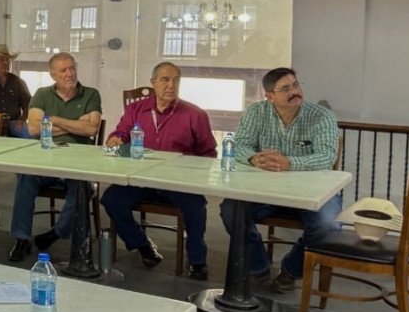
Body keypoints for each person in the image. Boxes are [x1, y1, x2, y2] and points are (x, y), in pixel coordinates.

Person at [221, 67, 341, 293]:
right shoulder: (256, 112)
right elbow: (241, 145)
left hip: (312, 190)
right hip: (265, 189)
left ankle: (291, 270)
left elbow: (327, 156)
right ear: (270, 96)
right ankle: (258, 267)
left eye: (296, 85)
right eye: (286, 89)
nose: (295, 91)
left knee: (328, 225)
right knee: (231, 211)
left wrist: (290, 163)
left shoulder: (321, 116)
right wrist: (254, 158)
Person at [99, 62, 217, 279]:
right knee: (111, 199)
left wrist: (196, 177)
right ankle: (142, 244)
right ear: (153, 83)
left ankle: (197, 260)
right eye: (165, 80)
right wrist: (115, 139)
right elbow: (121, 133)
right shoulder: (136, 109)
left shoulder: (195, 114)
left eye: (176, 80)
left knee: (196, 207)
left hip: (177, 180)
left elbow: (208, 153)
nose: (171, 85)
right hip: (140, 177)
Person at [8, 53, 102, 262]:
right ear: (53, 75)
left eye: (72, 68)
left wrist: (52, 120)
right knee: (25, 177)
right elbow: (34, 129)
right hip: (46, 158)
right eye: (64, 70)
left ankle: (55, 233)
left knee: (83, 188)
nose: (70, 74)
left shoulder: (90, 94)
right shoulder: (42, 94)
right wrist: (77, 124)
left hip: (78, 160)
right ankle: (21, 239)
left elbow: (91, 129)